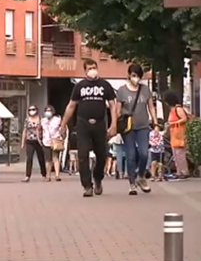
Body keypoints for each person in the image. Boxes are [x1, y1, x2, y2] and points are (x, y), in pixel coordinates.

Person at [60, 58, 117, 197]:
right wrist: (63, 124)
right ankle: (87, 186)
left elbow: (113, 106)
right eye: (89, 68)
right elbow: (71, 105)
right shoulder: (80, 86)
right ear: (85, 71)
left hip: (99, 123)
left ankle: (98, 179)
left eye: (94, 67)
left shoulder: (105, 85)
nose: (92, 70)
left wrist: (113, 124)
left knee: (102, 155)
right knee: (82, 155)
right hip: (83, 123)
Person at [116, 63, 159, 195]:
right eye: (134, 75)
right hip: (128, 127)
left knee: (144, 153)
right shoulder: (122, 90)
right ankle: (132, 182)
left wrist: (155, 123)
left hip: (143, 126)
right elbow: (117, 110)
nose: (136, 78)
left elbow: (151, 107)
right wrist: (116, 125)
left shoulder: (145, 89)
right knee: (131, 155)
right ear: (129, 75)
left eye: (138, 76)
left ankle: (141, 176)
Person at [163, 89, 190, 179]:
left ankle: (184, 171)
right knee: (176, 154)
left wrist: (172, 123)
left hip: (179, 134)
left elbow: (184, 119)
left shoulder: (178, 109)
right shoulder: (173, 110)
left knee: (180, 154)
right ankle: (179, 171)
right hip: (174, 135)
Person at [21, 105, 47, 182]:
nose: (31, 111)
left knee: (41, 158)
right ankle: (27, 176)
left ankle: (44, 174)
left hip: (39, 141)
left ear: (36, 110)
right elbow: (24, 131)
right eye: (30, 110)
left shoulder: (41, 119)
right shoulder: (27, 120)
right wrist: (23, 142)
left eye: (33, 109)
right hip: (29, 140)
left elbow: (44, 129)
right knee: (29, 158)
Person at [41, 106, 62, 182]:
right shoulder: (43, 120)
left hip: (55, 140)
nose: (48, 112)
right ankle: (48, 175)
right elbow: (40, 130)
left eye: (50, 110)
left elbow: (61, 128)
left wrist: (62, 137)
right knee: (48, 160)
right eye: (46, 111)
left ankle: (57, 175)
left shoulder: (57, 120)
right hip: (46, 141)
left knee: (55, 158)